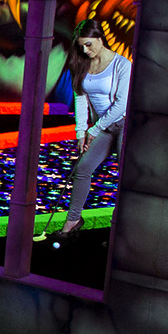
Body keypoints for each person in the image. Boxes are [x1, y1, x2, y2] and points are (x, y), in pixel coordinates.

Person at [56, 18, 130, 239]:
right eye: (81, 46)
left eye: (88, 44)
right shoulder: (81, 63)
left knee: (123, 176)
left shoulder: (122, 65)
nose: (85, 50)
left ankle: (120, 228)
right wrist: (81, 133)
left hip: (124, 124)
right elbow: (80, 100)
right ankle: (73, 221)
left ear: (100, 38)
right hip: (102, 128)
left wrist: (94, 129)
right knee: (83, 168)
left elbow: (121, 104)